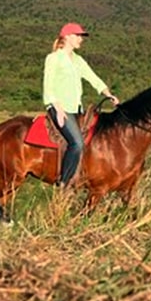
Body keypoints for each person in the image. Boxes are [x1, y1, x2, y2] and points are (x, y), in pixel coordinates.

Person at [43, 22, 119, 187]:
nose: (80, 39)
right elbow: (48, 88)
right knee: (77, 143)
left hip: (77, 109)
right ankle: (64, 182)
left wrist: (108, 93)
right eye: (78, 36)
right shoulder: (54, 58)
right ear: (67, 37)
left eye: (81, 36)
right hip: (58, 108)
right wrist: (59, 109)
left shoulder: (78, 60)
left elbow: (93, 78)